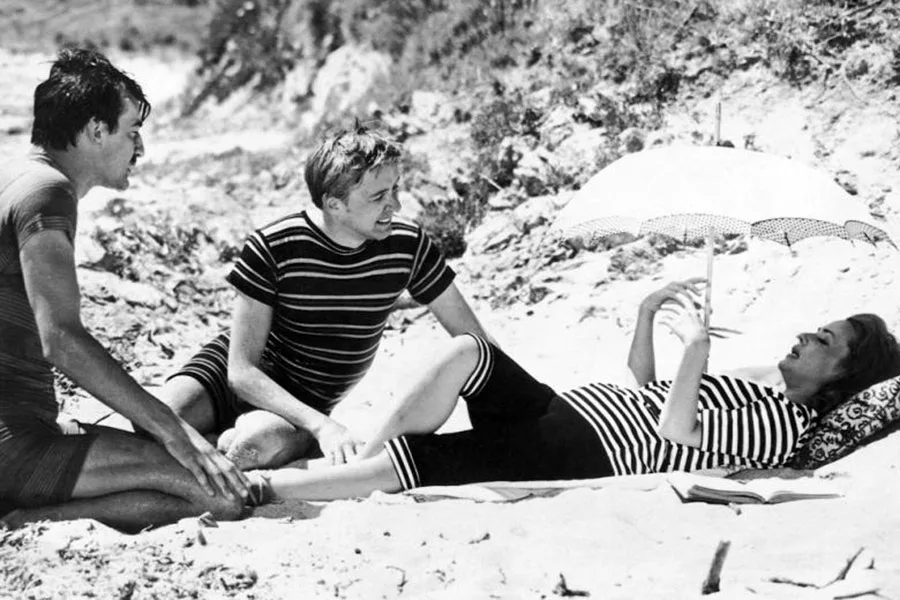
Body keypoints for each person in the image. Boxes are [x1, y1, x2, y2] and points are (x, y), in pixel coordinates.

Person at [243, 279, 900, 503]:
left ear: (840, 376)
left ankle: (264, 491)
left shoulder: (782, 423)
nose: (807, 336)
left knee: (425, 464)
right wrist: (646, 315)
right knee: (469, 351)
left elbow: (676, 433)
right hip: (564, 410)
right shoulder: (757, 385)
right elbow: (647, 388)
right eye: (816, 329)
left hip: (584, 450)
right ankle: (358, 465)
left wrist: (697, 353)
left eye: (826, 340)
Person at [0, 48, 248, 533]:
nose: (141, 148)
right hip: (13, 446)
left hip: (24, 430)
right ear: (97, 131)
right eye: (132, 131)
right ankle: (24, 520)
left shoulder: (14, 177)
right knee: (219, 495)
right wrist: (173, 431)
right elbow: (62, 340)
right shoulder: (46, 193)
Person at [159, 126, 493, 470]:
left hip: (302, 404)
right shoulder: (275, 245)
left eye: (395, 189)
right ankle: (217, 442)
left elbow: (475, 340)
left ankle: (232, 441)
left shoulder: (408, 246)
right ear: (334, 204)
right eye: (378, 197)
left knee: (250, 445)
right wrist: (326, 428)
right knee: (158, 420)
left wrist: (521, 406)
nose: (395, 205)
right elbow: (241, 372)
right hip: (233, 374)